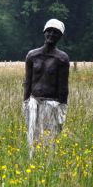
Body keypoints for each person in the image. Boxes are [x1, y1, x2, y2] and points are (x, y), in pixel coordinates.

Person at [23, 19, 69, 157]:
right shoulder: (32, 55)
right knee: (32, 138)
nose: (51, 35)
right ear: (44, 32)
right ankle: (33, 163)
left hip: (52, 104)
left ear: (60, 36)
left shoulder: (62, 58)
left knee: (49, 139)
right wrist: (25, 102)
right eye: (49, 31)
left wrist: (62, 108)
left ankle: (48, 164)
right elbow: (28, 81)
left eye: (55, 32)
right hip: (33, 102)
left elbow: (63, 86)